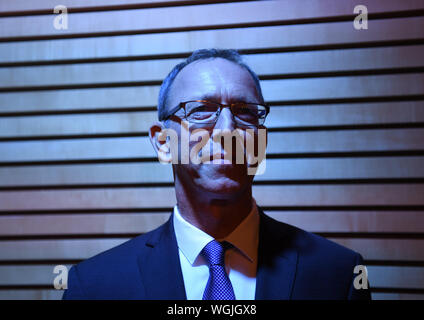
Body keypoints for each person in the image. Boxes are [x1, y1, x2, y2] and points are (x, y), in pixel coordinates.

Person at [62, 49, 371, 300]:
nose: (227, 130)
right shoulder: (94, 288)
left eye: (245, 112)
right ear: (163, 143)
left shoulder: (339, 276)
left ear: (262, 141)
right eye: (200, 111)